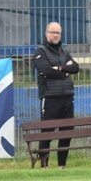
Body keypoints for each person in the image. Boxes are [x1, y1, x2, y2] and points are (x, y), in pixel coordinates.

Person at [33, 22, 80, 169]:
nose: (55, 35)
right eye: (52, 32)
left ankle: (62, 165)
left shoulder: (63, 52)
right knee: (47, 132)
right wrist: (65, 71)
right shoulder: (40, 51)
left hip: (67, 97)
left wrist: (60, 68)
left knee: (66, 132)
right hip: (50, 97)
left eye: (57, 33)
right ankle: (44, 165)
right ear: (46, 33)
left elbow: (76, 67)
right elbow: (45, 70)